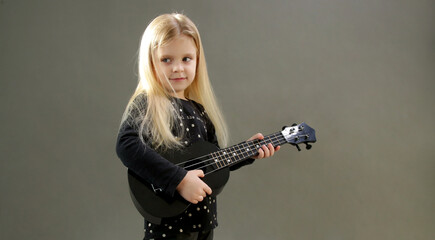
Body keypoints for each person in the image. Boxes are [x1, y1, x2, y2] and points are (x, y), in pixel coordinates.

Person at [116, 13, 280, 240]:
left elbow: (211, 163)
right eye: (166, 59)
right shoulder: (147, 104)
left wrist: (248, 152)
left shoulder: (200, 111)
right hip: (168, 229)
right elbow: (126, 145)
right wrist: (179, 180)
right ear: (151, 61)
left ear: (198, 60)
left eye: (186, 59)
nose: (178, 68)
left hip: (203, 225)